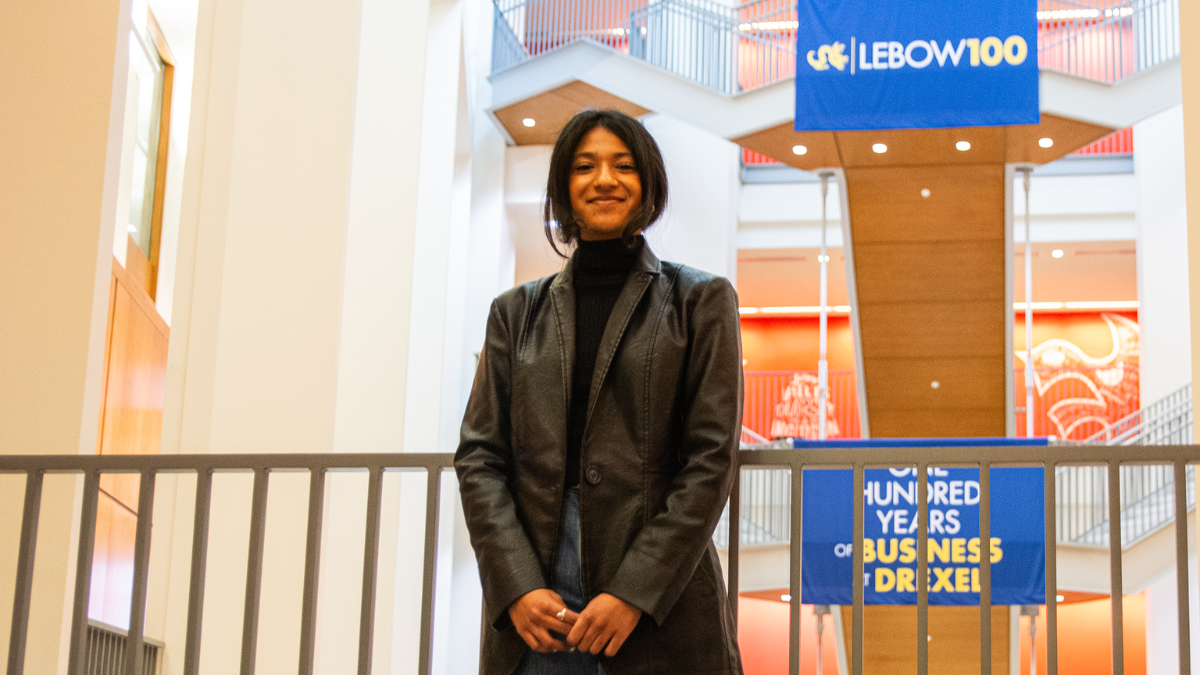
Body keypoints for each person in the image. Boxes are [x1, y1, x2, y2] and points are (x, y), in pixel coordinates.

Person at [455, 109, 744, 675]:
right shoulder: (514, 313)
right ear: (564, 187)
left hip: (660, 586)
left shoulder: (701, 301)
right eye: (585, 166)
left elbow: (710, 460)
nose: (604, 179)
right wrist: (515, 585)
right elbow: (480, 457)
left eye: (624, 166)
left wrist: (635, 590)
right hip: (537, 588)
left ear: (649, 184)